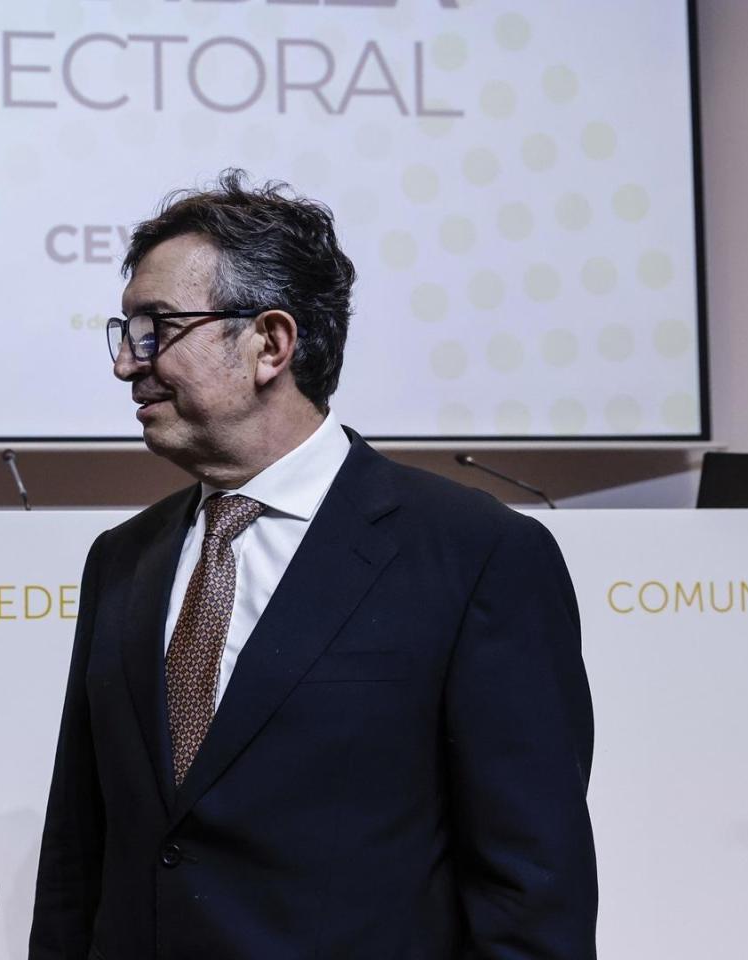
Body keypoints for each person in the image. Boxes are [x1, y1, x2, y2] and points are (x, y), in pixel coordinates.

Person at [30, 171, 598, 959]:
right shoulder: (122, 560)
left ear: (270, 342)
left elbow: (533, 888)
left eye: (157, 328)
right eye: (126, 332)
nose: (128, 363)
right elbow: (78, 854)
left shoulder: (476, 555)